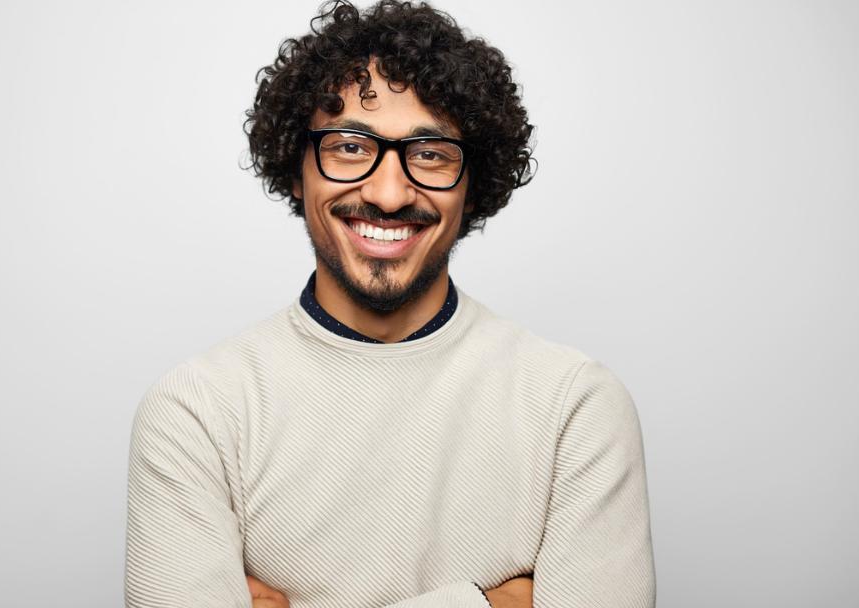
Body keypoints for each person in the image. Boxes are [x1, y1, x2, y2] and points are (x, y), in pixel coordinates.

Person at [124, 1, 655, 606]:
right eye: (350, 146)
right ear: (296, 171)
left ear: (471, 184)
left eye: (430, 154)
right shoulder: (196, 412)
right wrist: (485, 605)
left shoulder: (574, 408)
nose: (388, 192)